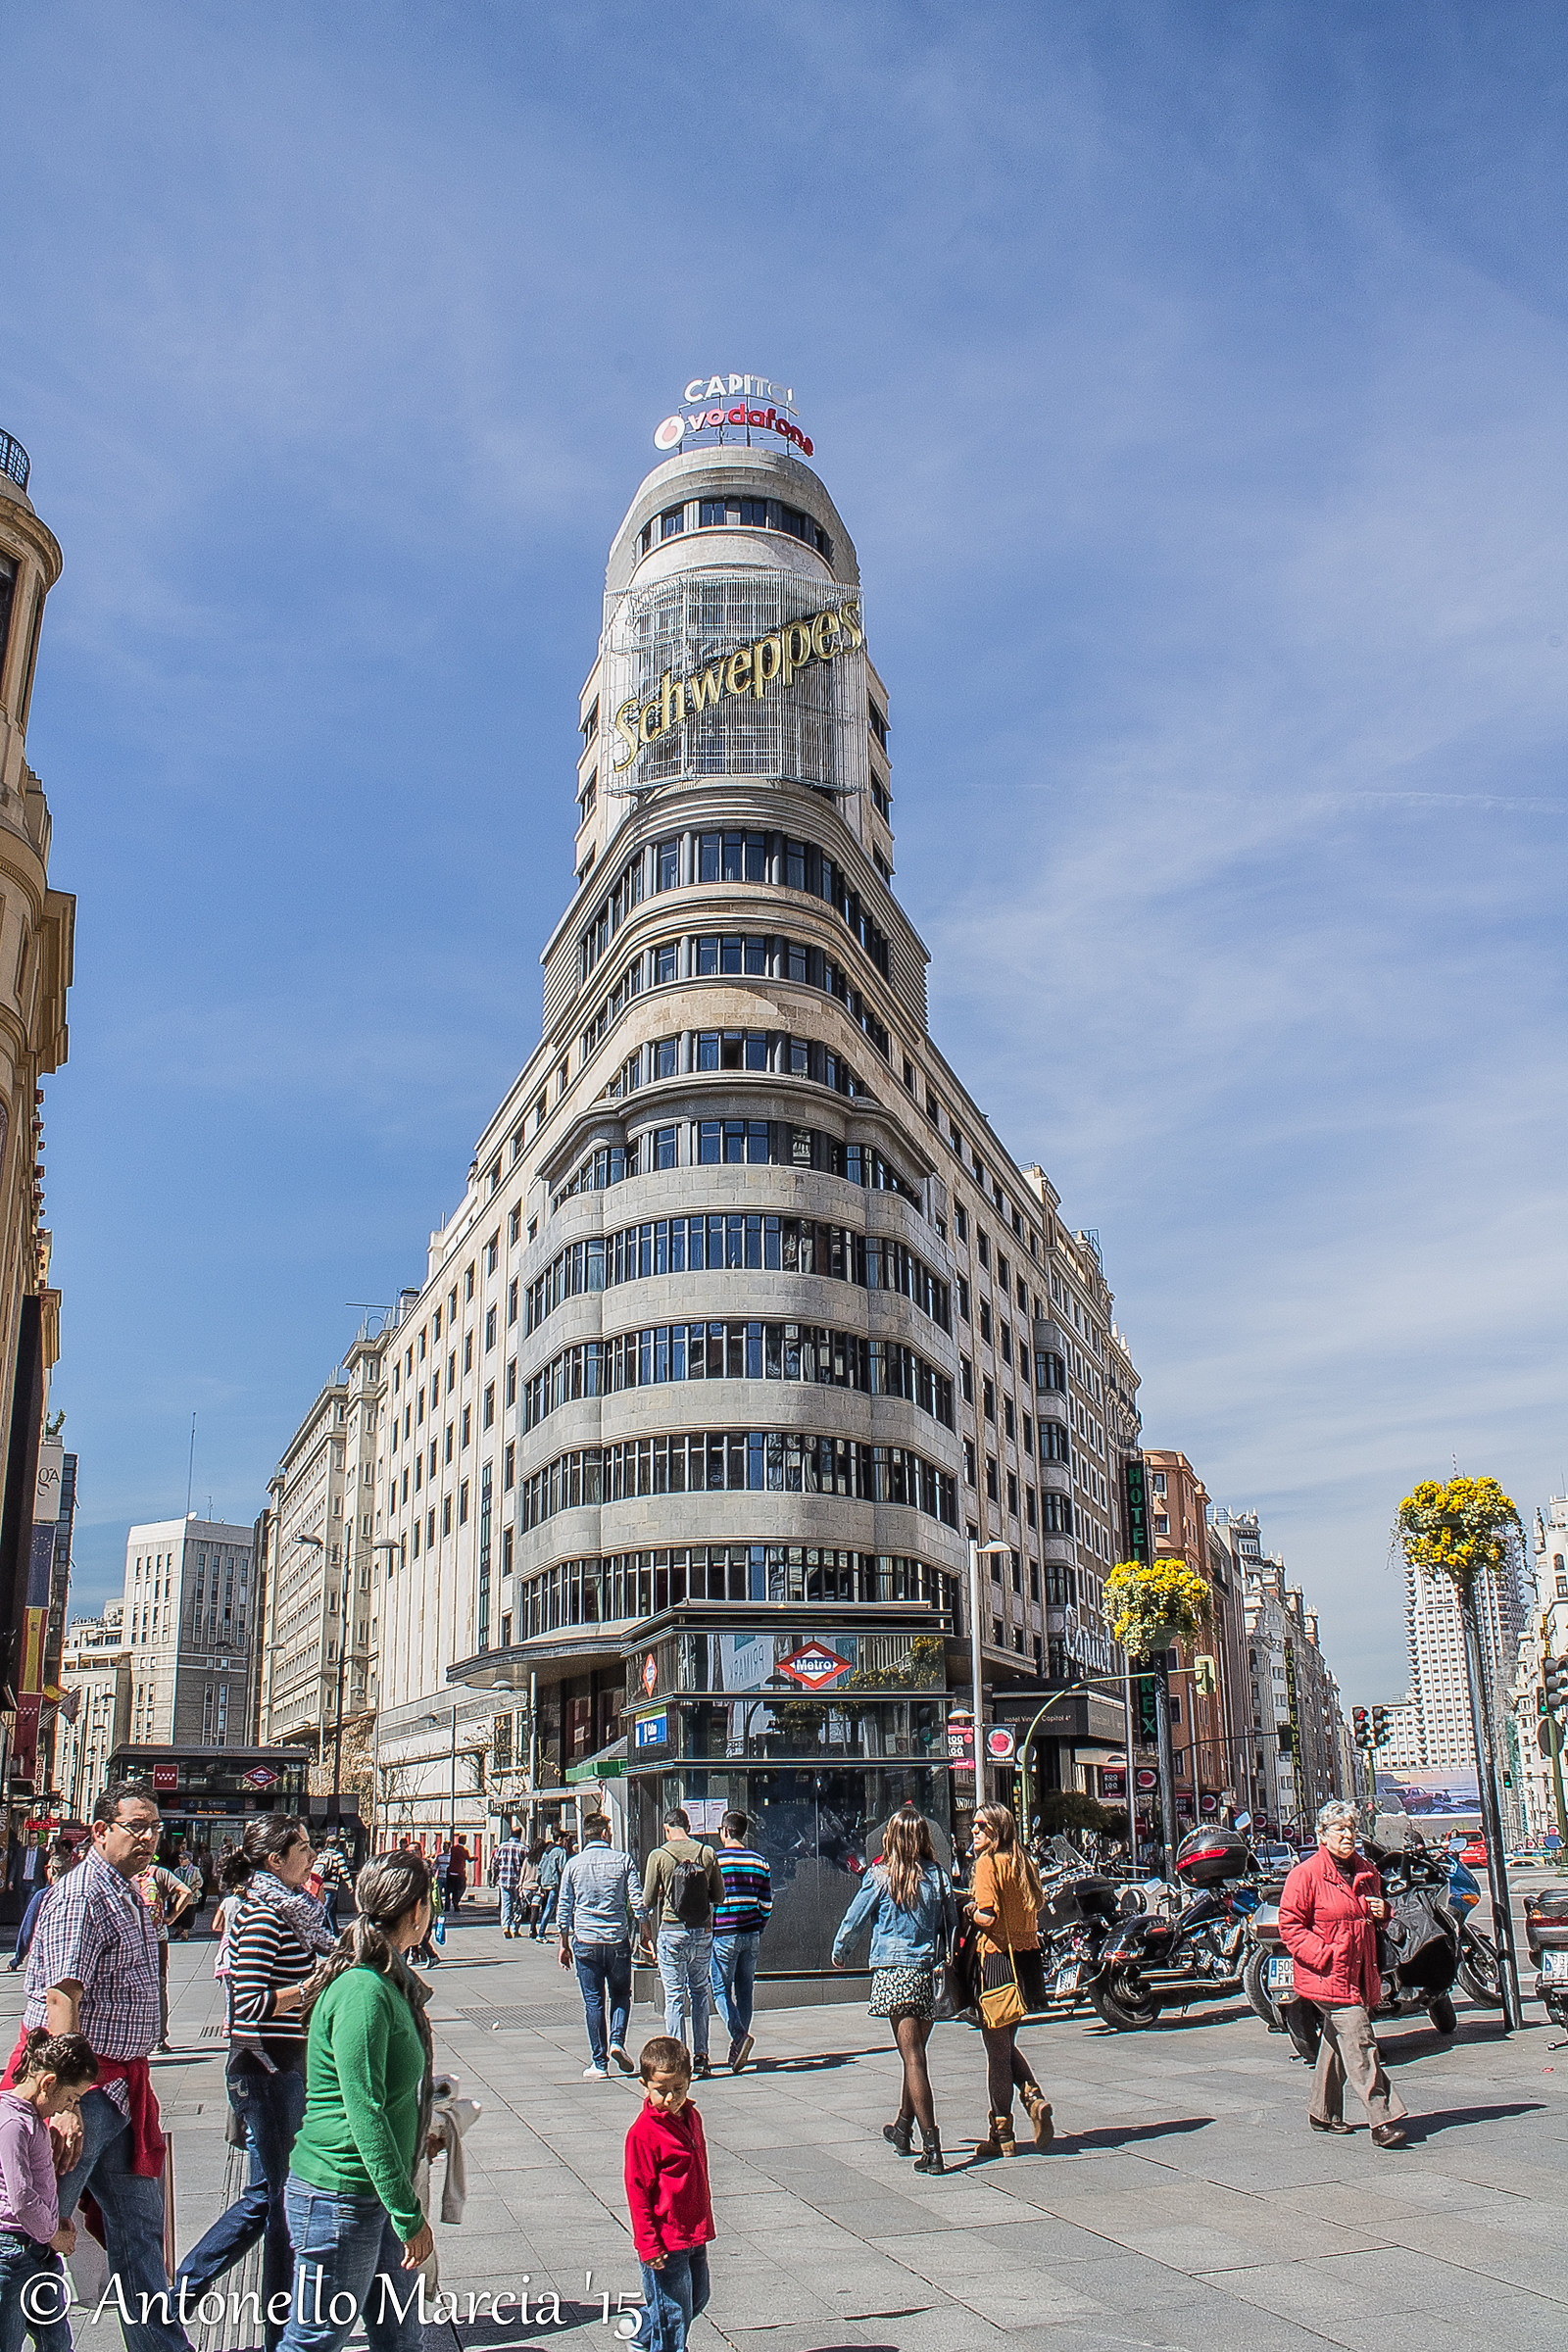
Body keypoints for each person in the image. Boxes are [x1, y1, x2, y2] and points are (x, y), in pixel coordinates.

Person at [11, 1781, 192, 2352]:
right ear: (100, 1831)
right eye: (136, 1826)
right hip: (81, 2087)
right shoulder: (80, 1896)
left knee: (139, 2232)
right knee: (37, 2230)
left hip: (119, 2089)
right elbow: (63, 2000)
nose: (148, 1837)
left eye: (154, 1827)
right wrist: (63, 2107)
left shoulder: (129, 1890)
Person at [174, 1817, 336, 2351]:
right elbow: (247, 2006)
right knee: (273, 2196)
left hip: (284, 2066)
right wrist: (309, 1986)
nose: (313, 1855)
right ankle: (186, 2291)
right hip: (265, 2073)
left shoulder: (292, 1911)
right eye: (305, 1847)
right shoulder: (265, 1914)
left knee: (274, 2196)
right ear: (276, 1860)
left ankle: (275, 2324)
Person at [273, 1850, 436, 2352]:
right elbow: (361, 2108)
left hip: (381, 2191)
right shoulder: (363, 1991)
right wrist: (409, 2215)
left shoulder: (388, 1981)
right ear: (416, 1912)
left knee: (402, 2336)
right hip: (340, 2194)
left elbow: (387, 2096)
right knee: (315, 2340)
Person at [831, 1808, 956, 2174]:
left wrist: (841, 1950)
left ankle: (932, 2146)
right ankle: (903, 2128)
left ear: (892, 1838)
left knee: (913, 2058)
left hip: (893, 1972)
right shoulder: (938, 1876)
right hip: (928, 1974)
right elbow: (951, 1923)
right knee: (913, 2054)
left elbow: (855, 1917)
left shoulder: (880, 1876)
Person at [1278, 1799, 1408, 2148]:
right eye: (1340, 1829)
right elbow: (1290, 1926)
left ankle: (1322, 2111)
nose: (1347, 1835)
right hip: (1327, 1975)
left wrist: (1383, 1911)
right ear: (1323, 1835)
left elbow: (1372, 1915)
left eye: (1351, 1828)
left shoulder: (1366, 1870)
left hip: (1359, 1971)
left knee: (1337, 2041)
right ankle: (1383, 2119)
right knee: (1361, 2041)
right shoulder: (1306, 1875)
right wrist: (1324, 1955)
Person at [0, 2027, 99, 2352]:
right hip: (12, 2255)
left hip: (38, 2248)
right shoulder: (13, 2124)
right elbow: (22, 2198)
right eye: (70, 2099)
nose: (66, 2108)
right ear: (49, 2083)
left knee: (57, 2341)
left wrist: (53, 2224)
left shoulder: (28, 2118)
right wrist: (52, 2234)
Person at [965, 1802, 1053, 2158]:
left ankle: (1004, 2131)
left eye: (980, 1825)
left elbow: (987, 1915)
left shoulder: (988, 1863)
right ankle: (1028, 2101)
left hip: (997, 1960)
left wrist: (970, 1908)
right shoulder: (1024, 1862)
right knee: (1005, 2044)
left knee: (997, 2053)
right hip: (1027, 1960)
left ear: (996, 1831)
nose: (973, 1830)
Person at [623, 2036, 714, 2352]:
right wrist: (648, 2243)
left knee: (697, 2298)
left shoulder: (692, 2117)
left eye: (679, 2088)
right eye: (661, 2090)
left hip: (694, 2230)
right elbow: (638, 2191)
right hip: (665, 2237)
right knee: (674, 2314)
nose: (671, 2097)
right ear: (644, 2085)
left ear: (690, 2081)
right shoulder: (643, 2133)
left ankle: (644, 2330)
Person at [557, 1818, 645, 2079]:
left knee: (593, 2002)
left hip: (586, 1941)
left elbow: (564, 1907)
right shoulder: (623, 1860)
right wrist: (646, 1929)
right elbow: (636, 1900)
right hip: (617, 1940)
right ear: (606, 1833)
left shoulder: (573, 1864)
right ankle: (617, 2041)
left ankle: (599, 2062)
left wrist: (563, 1944)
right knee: (620, 1994)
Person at [640, 1812, 724, 2081]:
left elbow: (648, 1898)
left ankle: (678, 2060)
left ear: (667, 1828)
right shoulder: (707, 1852)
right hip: (701, 1931)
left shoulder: (659, 1855)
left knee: (675, 1996)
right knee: (700, 1992)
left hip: (672, 1931)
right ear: (689, 1827)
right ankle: (702, 2056)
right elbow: (719, 1896)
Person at [709, 1812, 771, 2074]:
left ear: (724, 1831)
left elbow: (709, 1900)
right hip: (751, 1933)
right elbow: (766, 1904)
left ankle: (738, 2036)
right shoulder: (760, 1862)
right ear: (743, 1832)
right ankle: (739, 2044)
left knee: (720, 1990)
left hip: (724, 1933)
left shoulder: (715, 1860)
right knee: (746, 1990)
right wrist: (759, 1926)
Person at [134, 1853, 197, 2050]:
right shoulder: (159, 1874)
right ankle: (160, 2038)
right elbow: (186, 1892)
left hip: (132, 1938)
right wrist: (171, 1917)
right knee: (160, 1986)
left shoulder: (125, 1875)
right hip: (158, 1938)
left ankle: (137, 2035)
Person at [10, 1853, 71, 1973]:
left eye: (47, 1868)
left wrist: (18, 1959)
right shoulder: (75, 1896)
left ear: (52, 1870)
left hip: (46, 1958)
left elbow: (28, 1930)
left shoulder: (43, 1896)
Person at [492, 1824, 529, 1938]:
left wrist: (495, 1876)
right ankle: (515, 1928)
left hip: (503, 1880)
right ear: (520, 1835)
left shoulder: (502, 1847)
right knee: (517, 1904)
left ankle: (505, 1926)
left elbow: (495, 1863)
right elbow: (526, 1865)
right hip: (517, 1881)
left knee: (506, 1903)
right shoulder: (524, 1849)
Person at [314, 1838, 350, 1937]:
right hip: (332, 1886)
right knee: (325, 1909)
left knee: (330, 1910)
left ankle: (334, 1932)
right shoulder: (338, 1855)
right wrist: (349, 1885)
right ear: (337, 1845)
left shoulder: (322, 1855)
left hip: (321, 1885)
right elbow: (344, 1871)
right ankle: (317, 1930)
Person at [533, 1835, 567, 1939]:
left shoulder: (546, 1851)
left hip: (545, 1882)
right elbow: (563, 1868)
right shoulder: (560, 1851)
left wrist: (540, 1882)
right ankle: (541, 1933)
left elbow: (540, 1868)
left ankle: (559, 1927)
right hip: (554, 1883)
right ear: (560, 1839)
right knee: (550, 1907)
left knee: (551, 1907)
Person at [169, 1845, 204, 1941]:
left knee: (189, 1915)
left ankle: (185, 1933)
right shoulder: (177, 1870)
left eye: (183, 1859)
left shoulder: (195, 1870)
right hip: (179, 1896)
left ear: (189, 1860)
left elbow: (199, 1882)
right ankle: (179, 1928)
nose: (181, 1861)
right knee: (179, 1913)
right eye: (180, 1859)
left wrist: (191, 1888)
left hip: (191, 1897)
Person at [444, 1837, 470, 1911]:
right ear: (464, 1841)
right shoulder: (464, 1850)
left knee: (448, 1890)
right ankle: (456, 1901)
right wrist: (474, 1858)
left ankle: (447, 1907)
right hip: (459, 1873)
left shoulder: (453, 1848)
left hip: (450, 1872)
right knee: (461, 1887)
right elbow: (469, 1859)